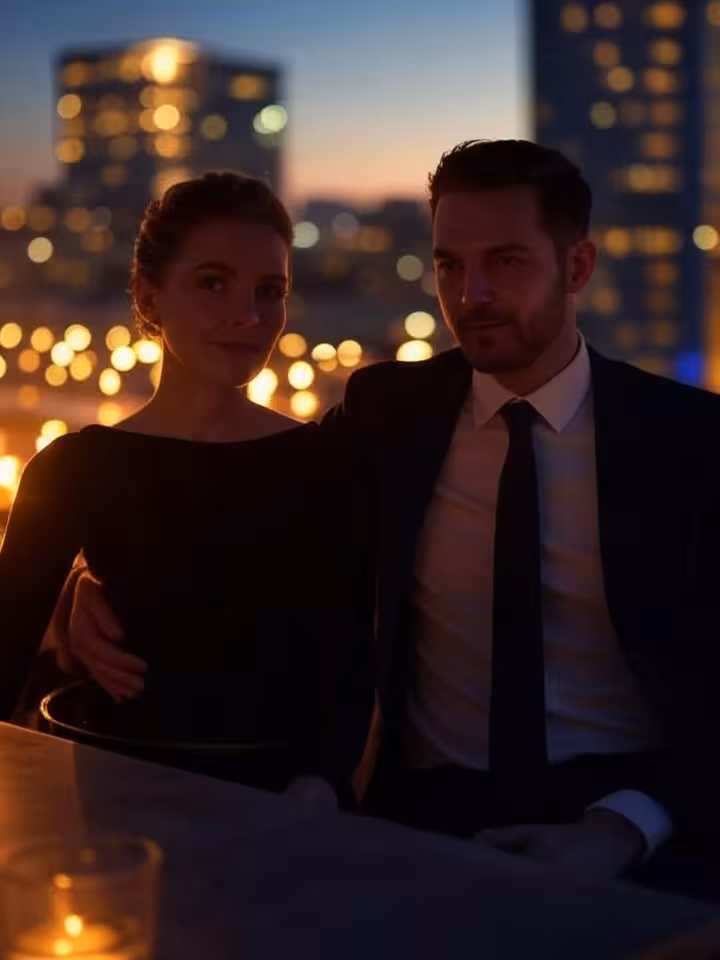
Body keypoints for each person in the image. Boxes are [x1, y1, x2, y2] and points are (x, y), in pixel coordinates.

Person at [58, 141, 720, 899]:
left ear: (578, 267)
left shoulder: (691, 442)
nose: (471, 294)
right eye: (449, 265)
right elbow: (235, 495)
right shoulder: (388, 412)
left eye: (505, 261)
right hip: (422, 819)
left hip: (639, 822)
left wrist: (623, 827)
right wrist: (87, 578)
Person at [0, 171, 371, 807]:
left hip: (282, 809)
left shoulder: (327, 463)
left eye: (269, 291)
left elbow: (351, 657)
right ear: (149, 300)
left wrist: (321, 783)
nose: (247, 316)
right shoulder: (73, 467)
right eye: (212, 283)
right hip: (116, 801)